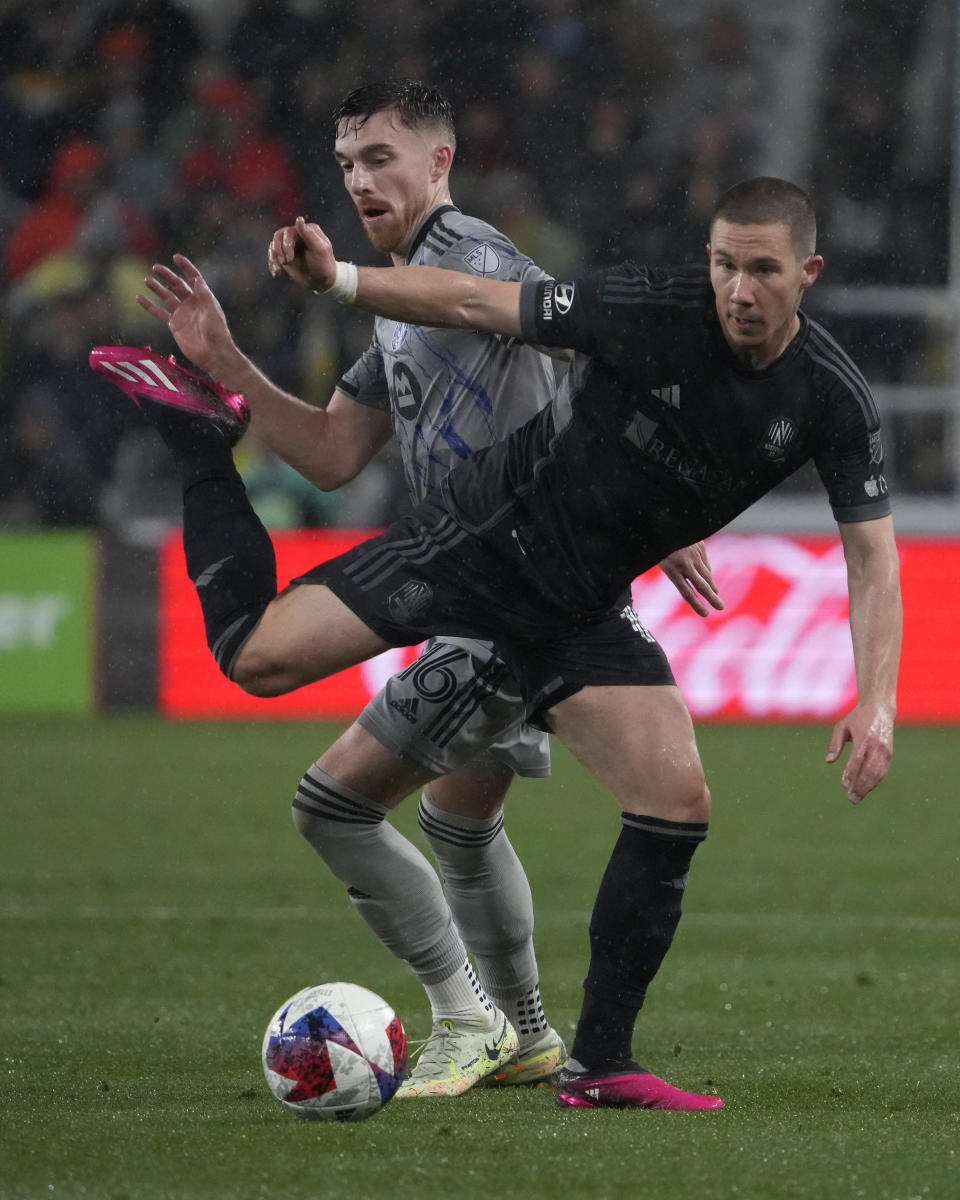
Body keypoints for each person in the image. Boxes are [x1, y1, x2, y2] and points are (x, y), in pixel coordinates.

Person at [123, 175, 901, 1111]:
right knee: (258, 658)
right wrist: (340, 285)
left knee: (675, 802)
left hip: (578, 605)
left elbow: (872, 561)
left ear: (808, 273)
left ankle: (598, 1065)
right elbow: (472, 301)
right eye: (726, 264)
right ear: (707, 259)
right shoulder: (646, 305)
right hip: (485, 544)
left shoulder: (832, 397)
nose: (740, 289)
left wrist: (877, 701)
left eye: (764, 270)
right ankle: (206, 448)